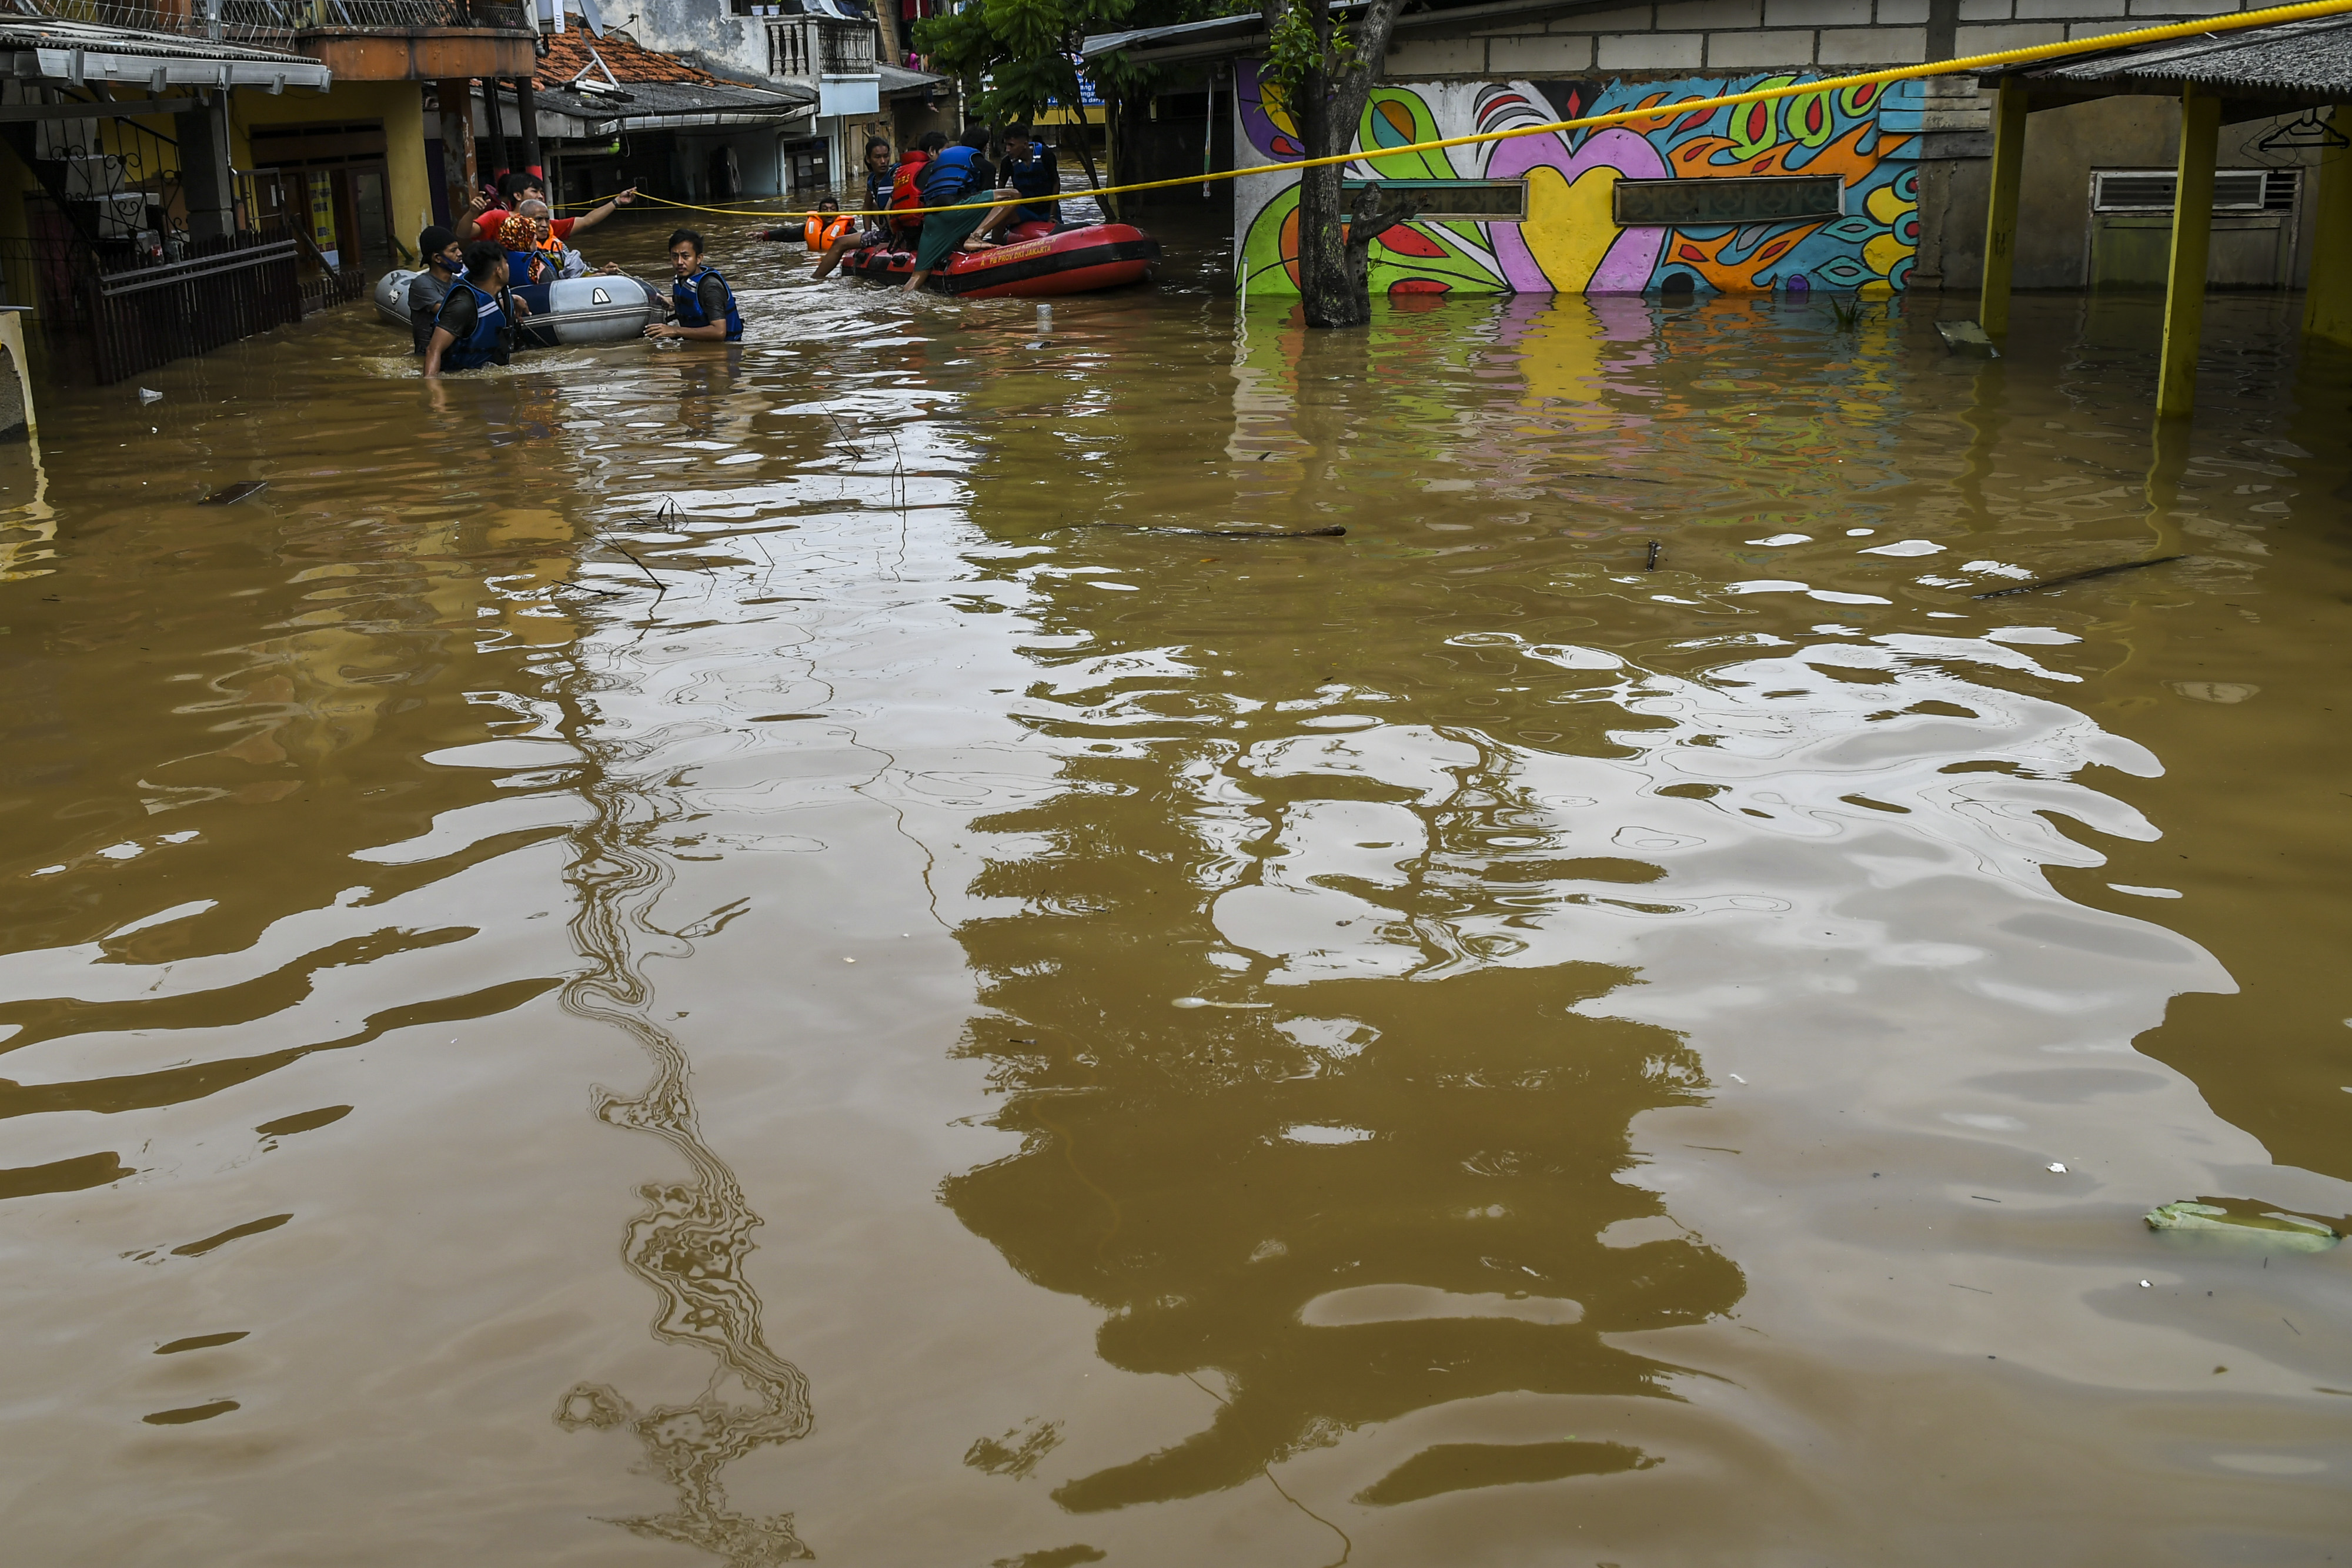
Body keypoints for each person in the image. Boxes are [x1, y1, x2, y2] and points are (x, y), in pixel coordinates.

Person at [902, 126, 998, 294]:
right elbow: (986, 203)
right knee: (1011, 196)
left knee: (917, 276)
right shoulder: (985, 166)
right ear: (985, 147)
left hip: (930, 220)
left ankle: (903, 307)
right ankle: (976, 238)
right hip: (955, 214)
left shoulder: (935, 166)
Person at [459, 170, 636, 257]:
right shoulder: (498, 217)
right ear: (517, 195)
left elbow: (587, 221)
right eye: (535, 191)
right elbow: (464, 233)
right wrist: (473, 213)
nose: (541, 196)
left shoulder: (546, 225)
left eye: (542, 192)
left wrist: (617, 202)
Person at [422, 240, 521, 375]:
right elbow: (433, 350)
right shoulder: (463, 305)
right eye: (505, 263)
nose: (508, 267)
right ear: (498, 271)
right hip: (458, 378)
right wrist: (434, 393)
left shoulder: (496, 296)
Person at [809, 137, 897, 280]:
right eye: (878, 157)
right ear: (868, 159)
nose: (883, 161)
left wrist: (893, 241)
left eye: (886, 156)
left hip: (899, 233)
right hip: (888, 229)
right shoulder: (872, 180)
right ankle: (817, 278)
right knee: (874, 205)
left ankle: (816, 279)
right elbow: (867, 206)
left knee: (839, 242)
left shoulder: (896, 174)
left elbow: (893, 208)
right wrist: (868, 234)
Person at [647, 228, 742, 343]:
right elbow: (695, 304)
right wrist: (673, 303)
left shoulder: (710, 287)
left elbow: (719, 332)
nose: (679, 262)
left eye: (686, 256)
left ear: (699, 259)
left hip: (725, 351)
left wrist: (675, 331)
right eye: (675, 256)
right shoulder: (682, 279)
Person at [973, 123, 1061, 242]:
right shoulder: (1007, 162)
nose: (1007, 150)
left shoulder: (1045, 155)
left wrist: (1052, 215)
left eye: (1011, 145)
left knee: (1060, 232)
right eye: (1006, 145)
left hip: (1047, 209)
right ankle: (994, 248)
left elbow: (1056, 182)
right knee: (1000, 220)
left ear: (1025, 144)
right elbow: (1000, 190)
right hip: (1024, 210)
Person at [406, 225, 463, 355]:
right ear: (437, 258)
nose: (460, 254)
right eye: (453, 251)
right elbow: (449, 312)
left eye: (458, 249)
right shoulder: (421, 284)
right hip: (429, 355)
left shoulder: (456, 281)